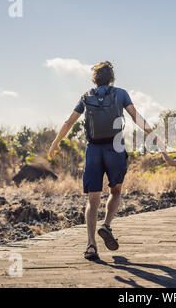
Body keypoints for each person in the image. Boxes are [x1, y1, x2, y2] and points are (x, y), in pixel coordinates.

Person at [49, 61, 155, 261]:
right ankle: (106, 225)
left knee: (93, 200)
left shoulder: (86, 96)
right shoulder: (120, 93)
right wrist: (153, 134)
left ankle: (91, 246)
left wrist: (55, 143)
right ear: (112, 78)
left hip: (93, 150)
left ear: (94, 79)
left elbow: (69, 121)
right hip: (115, 148)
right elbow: (135, 116)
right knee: (115, 191)